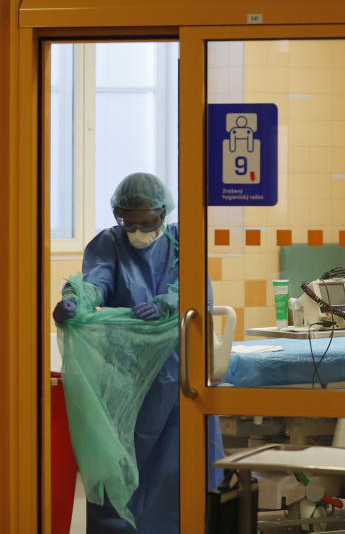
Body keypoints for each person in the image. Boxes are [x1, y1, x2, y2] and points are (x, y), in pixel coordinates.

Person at [53, 173, 223, 534]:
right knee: (122, 466)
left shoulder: (181, 242)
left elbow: (199, 294)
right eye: (129, 222)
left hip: (178, 376)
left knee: (176, 472)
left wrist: (168, 304)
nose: (139, 230)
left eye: (148, 222)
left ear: (164, 213)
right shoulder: (109, 244)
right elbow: (97, 282)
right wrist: (76, 300)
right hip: (126, 379)